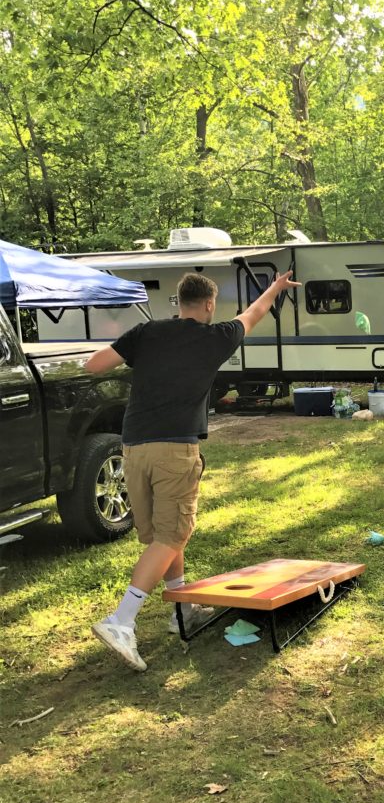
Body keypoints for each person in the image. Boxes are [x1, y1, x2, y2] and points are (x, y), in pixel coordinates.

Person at [84, 269, 300, 671]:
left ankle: (180, 609)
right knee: (172, 534)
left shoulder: (144, 333)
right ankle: (121, 620)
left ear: (178, 303)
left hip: (132, 447)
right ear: (208, 305)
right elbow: (254, 313)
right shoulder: (215, 338)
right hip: (174, 448)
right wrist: (275, 287)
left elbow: (95, 365)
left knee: (161, 536)